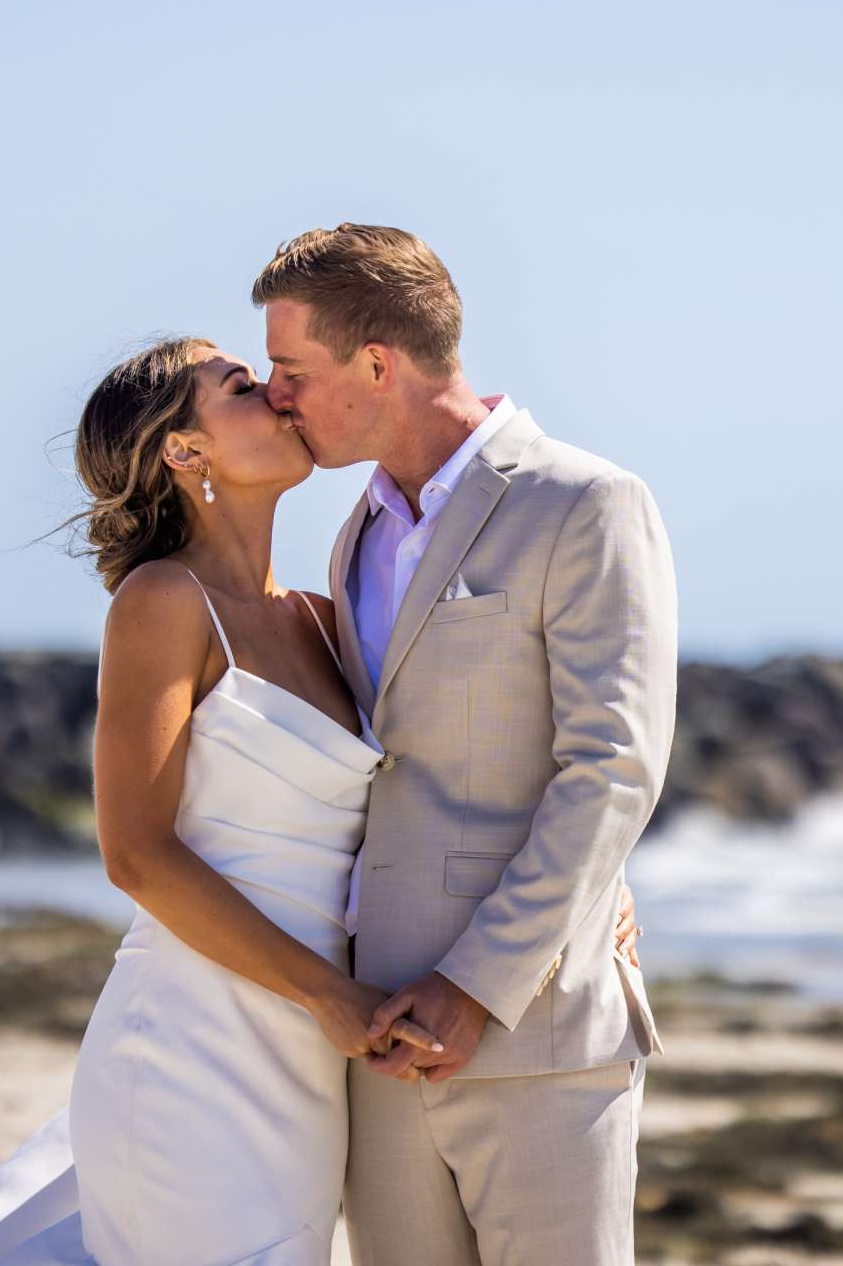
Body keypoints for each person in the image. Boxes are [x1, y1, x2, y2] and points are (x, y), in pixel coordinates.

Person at [0, 318, 648, 1265]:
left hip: (316, 1057)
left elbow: (429, 779)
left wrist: (595, 892)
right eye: (238, 387)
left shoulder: (321, 609)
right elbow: (136, 854)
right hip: (196, 1037)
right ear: (185, 450)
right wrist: (326, 997)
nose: (276, 394)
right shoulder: (162, 603)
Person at [254, 225, 675, 1265]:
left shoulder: (584, 503)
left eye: (292, 368)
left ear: (379, 363)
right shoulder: (357, 531)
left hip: (536, 1041)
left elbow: (613, 767)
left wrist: (478, 982)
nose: (274, 395)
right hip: (378, 1043)